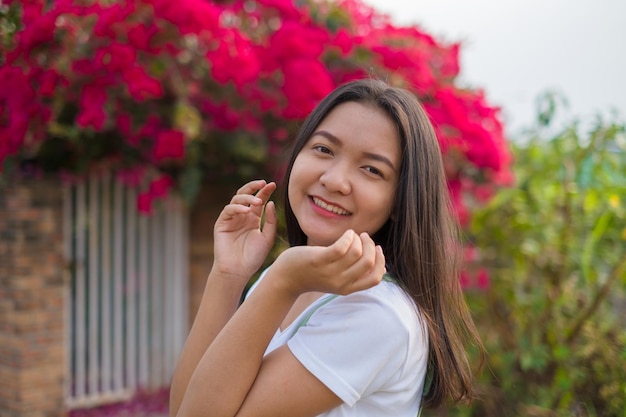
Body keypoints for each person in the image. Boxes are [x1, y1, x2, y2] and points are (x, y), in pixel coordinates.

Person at [169, 78, 484, 417]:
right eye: (324, 149)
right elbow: (184, 407)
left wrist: (283, 278)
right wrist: (228, 274)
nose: (334, 180)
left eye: (371, 169)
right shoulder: (277, 285)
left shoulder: (376, 313)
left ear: (399, 200)